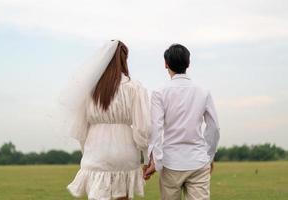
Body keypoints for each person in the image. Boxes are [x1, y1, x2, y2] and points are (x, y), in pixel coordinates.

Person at [65, 40, 150, 200]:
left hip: (95, 154)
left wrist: (87, 153)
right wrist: (146, 157)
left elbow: (80, 130)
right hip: (124, 154)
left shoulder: (90, 89)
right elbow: (142, 128)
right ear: (124, 59)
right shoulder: (134, 87)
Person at [144, 44, 220, 200]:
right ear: (188, 63)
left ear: (166, 63)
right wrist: (209, 155)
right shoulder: (203, 92)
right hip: (198, 160)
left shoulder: (159, 93)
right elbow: (214, 128)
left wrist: (155, 161)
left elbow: (156, 129)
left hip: (170, 162)